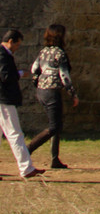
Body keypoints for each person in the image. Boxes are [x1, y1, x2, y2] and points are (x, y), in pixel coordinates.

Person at [27, 23, 79, 170]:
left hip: (41, 91)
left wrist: (37, 83)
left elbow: (34, 69)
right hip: (52, 91)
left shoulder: (43, 52)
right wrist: (73, 94)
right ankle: (28, 149)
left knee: (56, 124)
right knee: (54, 126)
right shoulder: (60, 53)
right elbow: (64, 75)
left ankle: (55, 159)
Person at [0, 28, 43, 178]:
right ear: (11, 41)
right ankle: (26, 168)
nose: (18, 48)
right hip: (3, 99)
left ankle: (26, 167)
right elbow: (5, 76)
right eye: (17, 45)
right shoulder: (2, 55)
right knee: (14, 133)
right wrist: (19, 73)